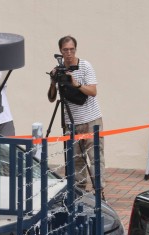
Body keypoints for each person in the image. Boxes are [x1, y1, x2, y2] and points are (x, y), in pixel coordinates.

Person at [47, 35, 103, 192]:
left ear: (75, 49)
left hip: (91, 119)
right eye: (65, 50)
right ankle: (79, 190)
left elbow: (93, 91)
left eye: (72, 49)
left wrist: (76, 83)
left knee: (95, 157)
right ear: (60, 51)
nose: (69, 53)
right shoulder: (58, 70)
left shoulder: (85, 66)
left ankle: (99, 190)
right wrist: (53, 82)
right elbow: (52, 98)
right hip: (71, 122)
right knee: (76, 159)